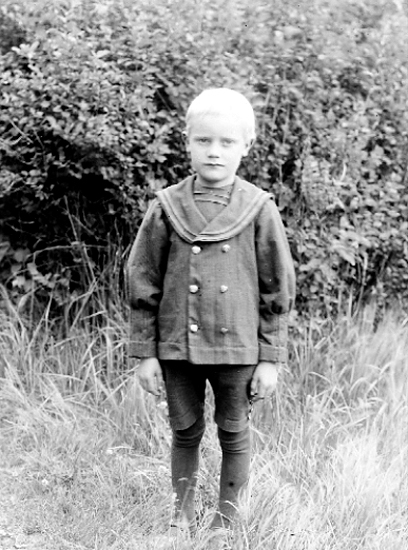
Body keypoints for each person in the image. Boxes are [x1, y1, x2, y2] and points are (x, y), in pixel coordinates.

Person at [126, 88, 296, 538]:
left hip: (237, 348)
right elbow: (143, 281)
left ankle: (226, 521)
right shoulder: (166, 207)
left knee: (234, 431)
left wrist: (270, 358)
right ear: (187, 142)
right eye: (203, 140)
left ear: (247, 145)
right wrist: (146, 353)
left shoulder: (258, 209)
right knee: (184, 430)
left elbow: (277, 288)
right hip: (177, 346)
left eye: (226, 142)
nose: (214, 151)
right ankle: (180, 516)